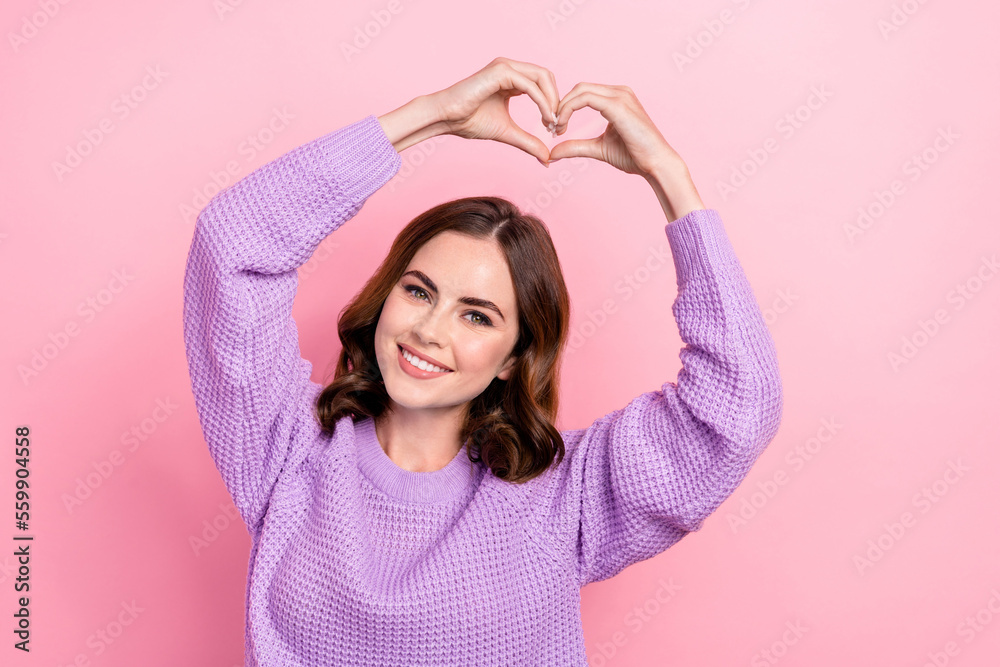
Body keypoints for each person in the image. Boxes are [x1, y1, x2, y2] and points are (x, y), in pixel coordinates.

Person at [182, 56, 783, 666]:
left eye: (477, 315)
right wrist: (432, 115)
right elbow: (231, 245)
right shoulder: (287, 450)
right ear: (386, 296)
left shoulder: (564, 495)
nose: (429, 331)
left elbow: (737, 403)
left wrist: (668, 175)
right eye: (418, 291)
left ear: (513, 358)